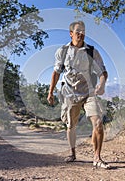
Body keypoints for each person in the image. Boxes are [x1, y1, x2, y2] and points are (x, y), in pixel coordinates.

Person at [47, 21, 110, 169]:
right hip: (69, 93)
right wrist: (50, 92)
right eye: (78, 31)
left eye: (83, 31)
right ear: (71, 34)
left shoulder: (92, 51)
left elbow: (103, 72)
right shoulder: (62, 51)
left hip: (89, 92)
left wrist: (102, 84)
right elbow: (56, 73)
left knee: (98, 123)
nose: (81, 33)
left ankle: (97, 157)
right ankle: (73, 153)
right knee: (71, 126)